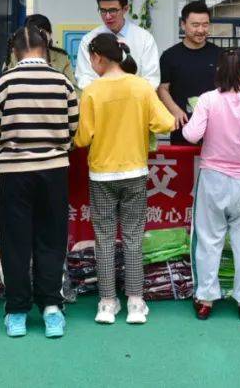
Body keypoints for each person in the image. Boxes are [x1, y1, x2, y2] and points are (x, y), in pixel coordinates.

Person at [0, 25, 79, 339]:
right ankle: (52, 309)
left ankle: (16, 313)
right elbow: (72, 129)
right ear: (47, 48)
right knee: (50, 240)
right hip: (54, 171)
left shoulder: (3, 84)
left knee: (15, 243)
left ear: (14, 52)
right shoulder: (63, 82)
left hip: (13, 173)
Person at [75, 33, 173, 326]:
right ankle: (135, 301)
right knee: (132, 238)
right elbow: (165, 122)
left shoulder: (92, 91)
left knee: (104, 239)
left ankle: (106, 303)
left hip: (102, 173)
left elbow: (82, 138)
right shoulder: (141, 86)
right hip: (135, 172)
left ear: (97, 57)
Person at [183, 49, 240, 322]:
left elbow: (191, 135)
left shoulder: (207, 100)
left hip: (213, 177)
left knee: (209, 241)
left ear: (219, 71)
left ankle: (205, 299)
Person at [158, 1, 221, 145]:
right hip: (182, 125)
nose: (201, 30)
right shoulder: (170, 56)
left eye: (205, 25)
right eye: (195, 25)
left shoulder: (219, 54)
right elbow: (162, 88)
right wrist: (175, 110)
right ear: (183, 24)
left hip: (214, 127)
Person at [75, 0, 160, 90]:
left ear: (125, 9)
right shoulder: (88, 40)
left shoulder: (144, 39)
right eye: (103, 11)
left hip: (134, 101)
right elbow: (84, 78)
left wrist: (126, 96)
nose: (107, 16)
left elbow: (152, 80)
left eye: (112, 11)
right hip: (101, 101)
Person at [3, 14, 76, 88]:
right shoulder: (13, 57)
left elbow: (73, 88)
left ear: (50, 35)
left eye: (42, 33)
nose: (38, 37)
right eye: (34, 33)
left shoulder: (61, 58)